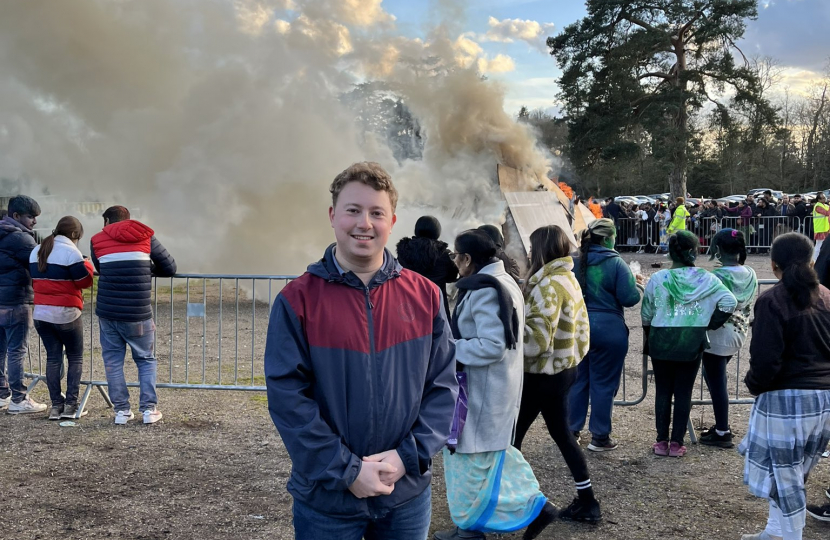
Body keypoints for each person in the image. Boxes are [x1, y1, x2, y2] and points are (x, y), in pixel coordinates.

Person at [264, 162, 457, 540]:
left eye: (376, 213)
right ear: (333, 216)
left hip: (405, 496)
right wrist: (347, 471)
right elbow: (288, 398)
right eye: (353, 210)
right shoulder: (297, 301)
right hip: (327, 501)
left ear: (392, 220)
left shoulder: (426, 296)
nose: (364, 223)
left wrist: (407, 457)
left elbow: (444, 386)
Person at [435, 228, 555, 540]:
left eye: (456, 256)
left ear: (467, 258)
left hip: (485, 391)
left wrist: (448, 350)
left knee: (473, 464)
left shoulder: (489, 288)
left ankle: (474, 529)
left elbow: (492, 345)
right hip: (489, 388)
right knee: (483, 463)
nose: (455, 263)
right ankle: (478, 525)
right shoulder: (497, 281)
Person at [739, 233, 830, 540]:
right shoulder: (827, 296)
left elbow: (765, 360)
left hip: (786, 399)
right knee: (794, 474)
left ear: (773, 264)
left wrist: (754, 384)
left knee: (784, 476)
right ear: (811, 261)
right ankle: (776, 532)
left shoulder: (772, 300)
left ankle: (790, 536)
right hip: (824, 399)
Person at [514, 225, 602, 523]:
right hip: (565, 370)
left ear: (540, 249)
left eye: (531, 247)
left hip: (542, 375)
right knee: (563, 435)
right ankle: (587, 502)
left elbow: (536, 342)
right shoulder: (567, 278)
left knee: (511, 440)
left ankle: (516, 505)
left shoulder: (547, 286)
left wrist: (506, 337)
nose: (527, 252)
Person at [641, 231, 736, 457]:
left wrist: (650, 330)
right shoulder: (707, 278)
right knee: (684, 392)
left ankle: (661, 442)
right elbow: (729, 301)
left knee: (663, 391)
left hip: (662, 339)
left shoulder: (658, 278)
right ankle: (676, 444)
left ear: (670, 253)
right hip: (691, 339)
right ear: (695, 252)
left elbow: (646, 312)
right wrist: (708, 324)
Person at [90, 205, 176, 425]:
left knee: (112, 362)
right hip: (139, 312)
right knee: (146, 360)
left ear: (108, 221)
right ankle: (149, 410)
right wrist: (148, 270)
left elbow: (100, 266)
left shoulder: (97, 240)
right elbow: (170, 267)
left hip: (108, 311)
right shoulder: (146, 236)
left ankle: (121, 412)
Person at [569, 219, 644, 452]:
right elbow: (630, 298)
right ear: (607, 238)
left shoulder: (573, 261)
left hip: (578, 328)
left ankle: (571, 431)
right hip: (609, 330)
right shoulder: (616, 263)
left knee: (578, 380)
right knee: (603, 383)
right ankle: (600, 437)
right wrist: (633, 281)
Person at [29, 216, 95, 420]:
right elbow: (84, 281)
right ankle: (71, 406)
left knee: (53, 358)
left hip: (41, 313)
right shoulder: (71, 252)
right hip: (66, 314)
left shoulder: (36, 251)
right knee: (75, 358)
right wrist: (87, 264)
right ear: (75, 235)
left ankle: (56, 406)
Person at [699, 229, 757, 448]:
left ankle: (723, 430)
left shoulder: (716, 277)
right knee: (716, 376)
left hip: (717, 336)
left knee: (716, 382)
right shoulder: (750, 272)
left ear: (719, 249)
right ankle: (721, 426)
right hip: (739, 333)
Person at [0, 195, 46, 414]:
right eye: (31, 217)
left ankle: (2, 395)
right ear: (16, 216)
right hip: (16, 301)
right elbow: (42, 263)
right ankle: (19, 399)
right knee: (16, 351)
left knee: (0, 350)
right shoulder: (20, 239)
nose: (34, 221)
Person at [396, 215, 458, 318]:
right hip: (436, 306)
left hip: (408, 305)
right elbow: (452, 276)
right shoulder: (445, 254)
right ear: (437, 232)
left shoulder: (404, 251)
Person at [812, 192, 829, 261]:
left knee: (823, 244)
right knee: (819, 245)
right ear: (819, 200)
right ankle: (814, 260)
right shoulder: (818, 206)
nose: (825, 199)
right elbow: (827, 213)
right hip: (820, 228)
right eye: (823, 198)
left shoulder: (826, 206)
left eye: (825, 197)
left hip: (825, 228)